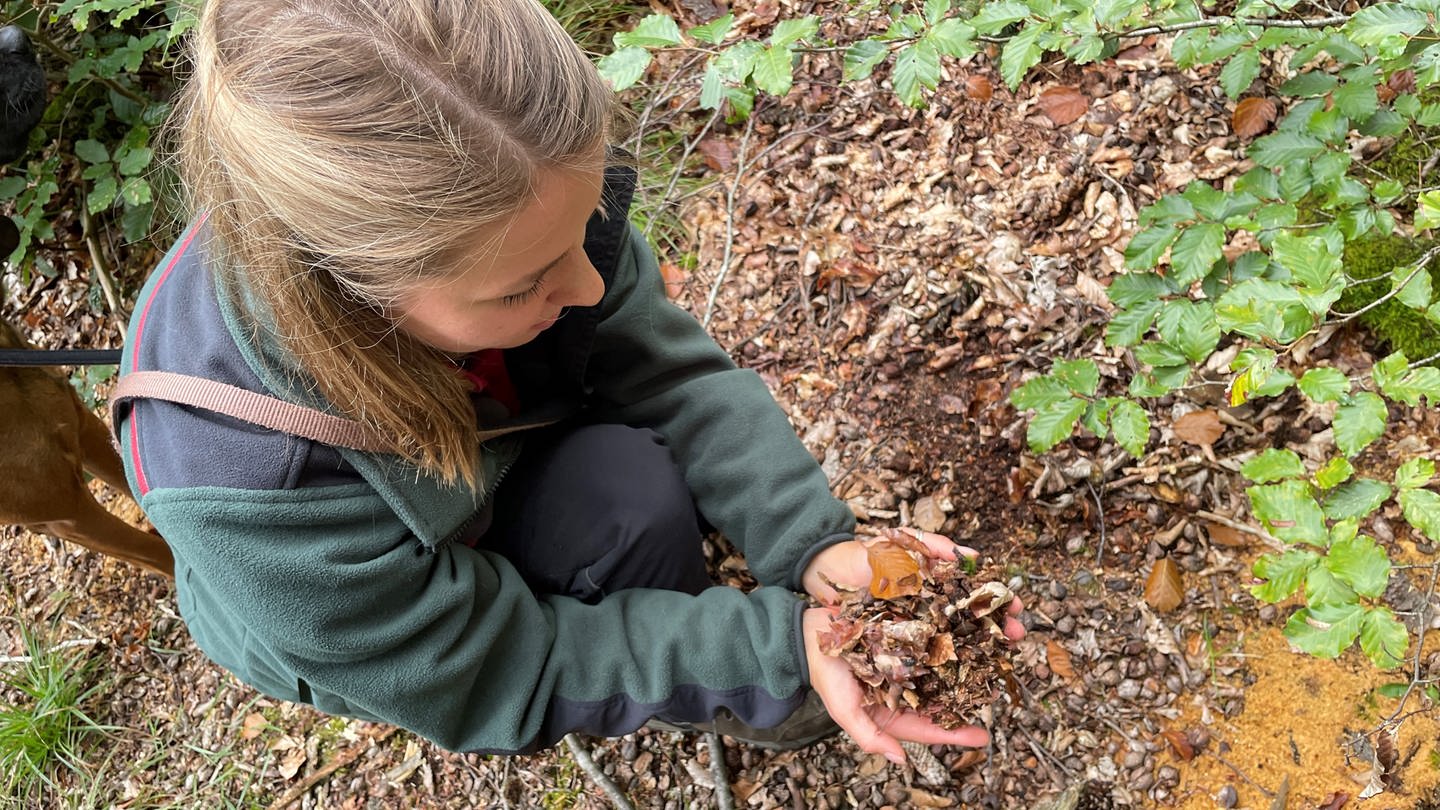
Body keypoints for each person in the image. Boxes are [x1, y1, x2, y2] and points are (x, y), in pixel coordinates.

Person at [114, 0, 1024, 765]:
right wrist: (785, 650)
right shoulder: (237, 479)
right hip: (380, 618)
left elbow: (667, 369)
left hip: (496, 445)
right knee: (630, 516)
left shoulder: (523, 188)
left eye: (585, 229)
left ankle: (708, 642)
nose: (588, 289)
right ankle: (750, 695)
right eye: (524, 287)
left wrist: (811, 547)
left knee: (624, 489)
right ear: (359, 288)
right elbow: (494, 668)